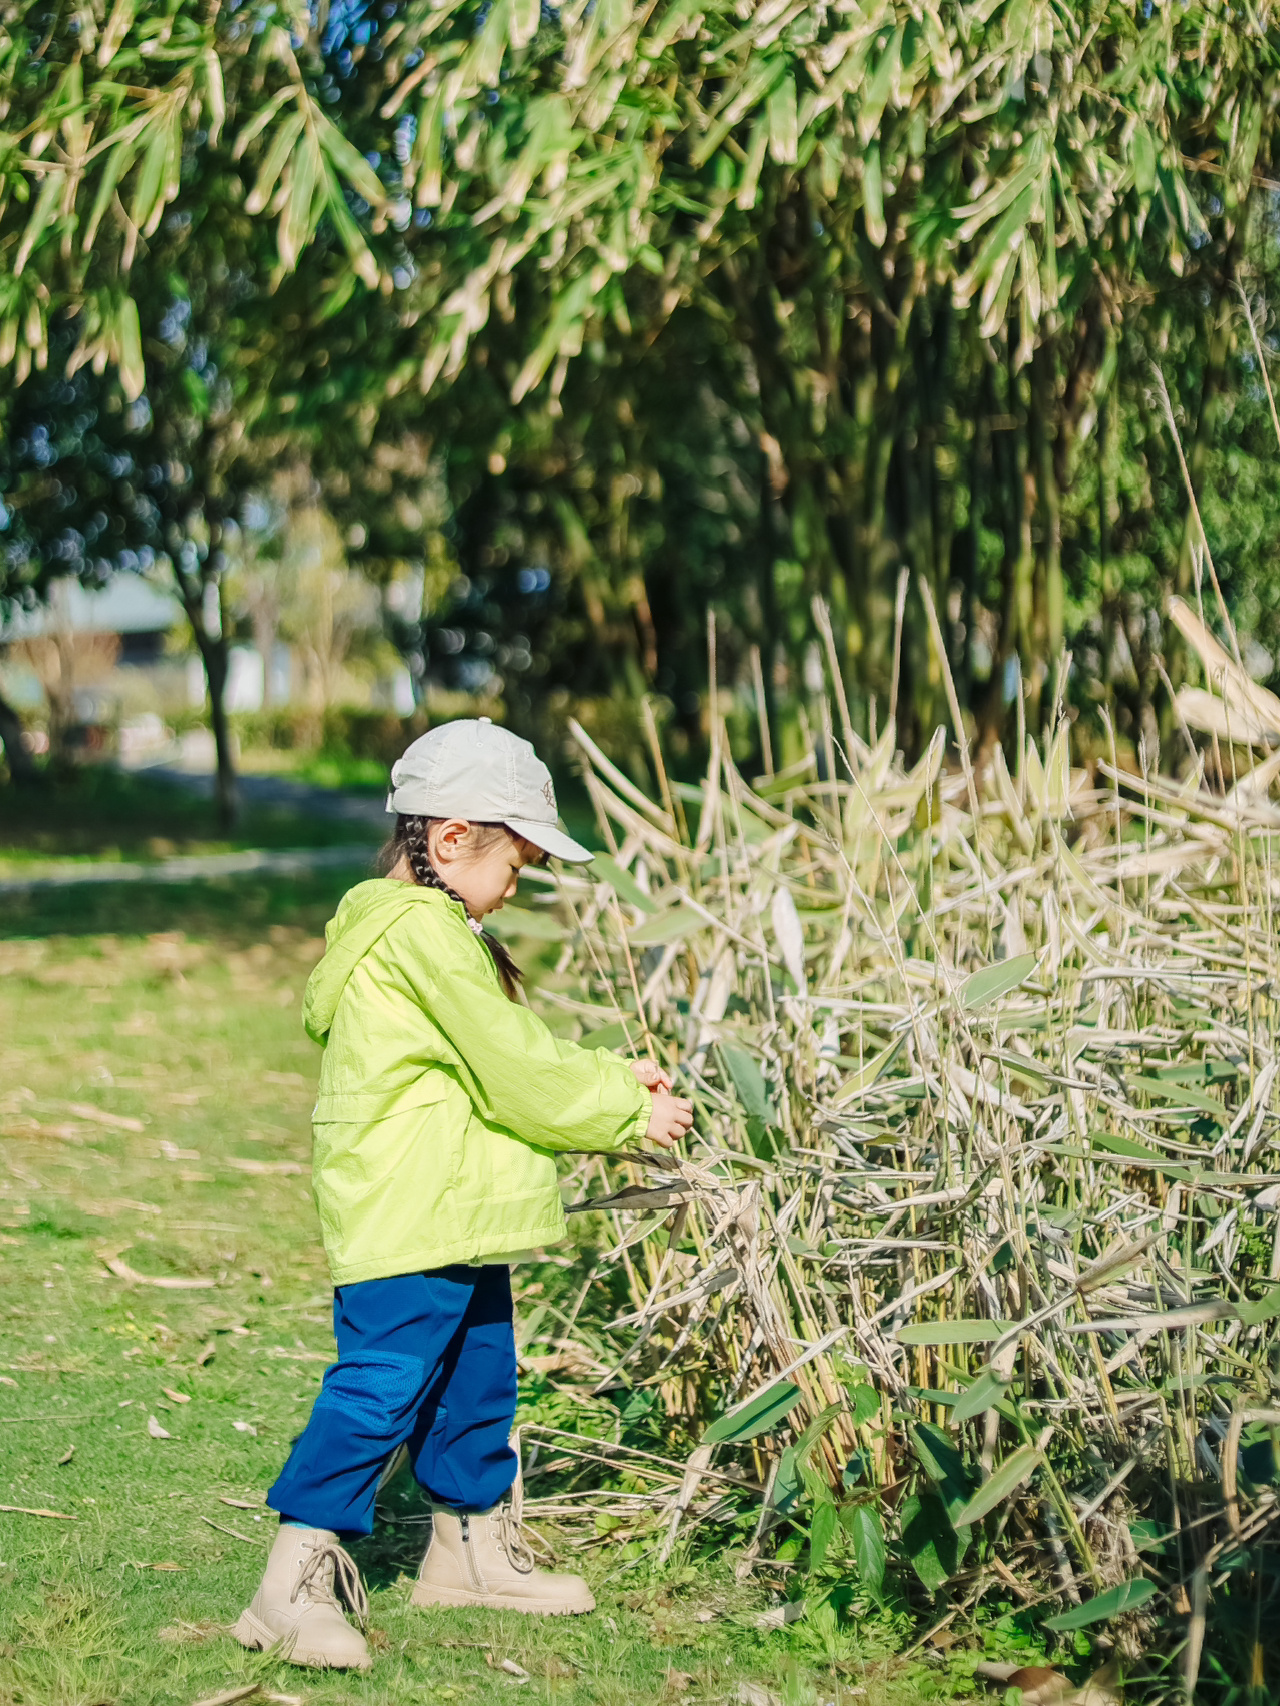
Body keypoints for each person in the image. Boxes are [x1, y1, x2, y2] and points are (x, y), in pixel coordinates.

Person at [232, 717, 694, 1672]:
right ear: (449, 840)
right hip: (412, 1211)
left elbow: (499, 1056)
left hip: (457, 1210)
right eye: (515, 863)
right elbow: (513, 1063)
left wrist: (613, 1075)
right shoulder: (419, 935)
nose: (517, 882)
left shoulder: (431, 933)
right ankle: (290, 1582)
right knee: (381, 1389)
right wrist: (621, 1105)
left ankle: (468, 1551)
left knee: (476, 1383)